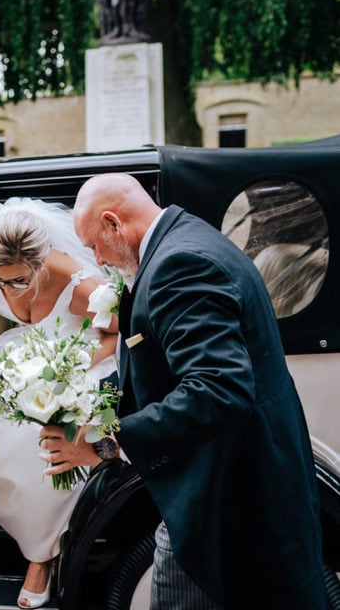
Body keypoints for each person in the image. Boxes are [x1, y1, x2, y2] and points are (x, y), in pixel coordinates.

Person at [44, 173, 327, 608]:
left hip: (228, 496)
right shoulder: (183, 238)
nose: (96, 260)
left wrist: (104, 441)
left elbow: (218, 389)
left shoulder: (180, 266)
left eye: (94, 244)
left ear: (114, 223)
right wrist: (88, 409)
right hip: (232, 480)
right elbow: (155, 363)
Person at [0, 197, 119, 609]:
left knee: (43, 445)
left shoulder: (83, 286)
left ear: (41, 264)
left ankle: (40, 555)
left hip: (77, 359)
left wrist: (70, 367)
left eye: (18, 282)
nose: (8, 289)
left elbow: (123, 331)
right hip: (24, 354)